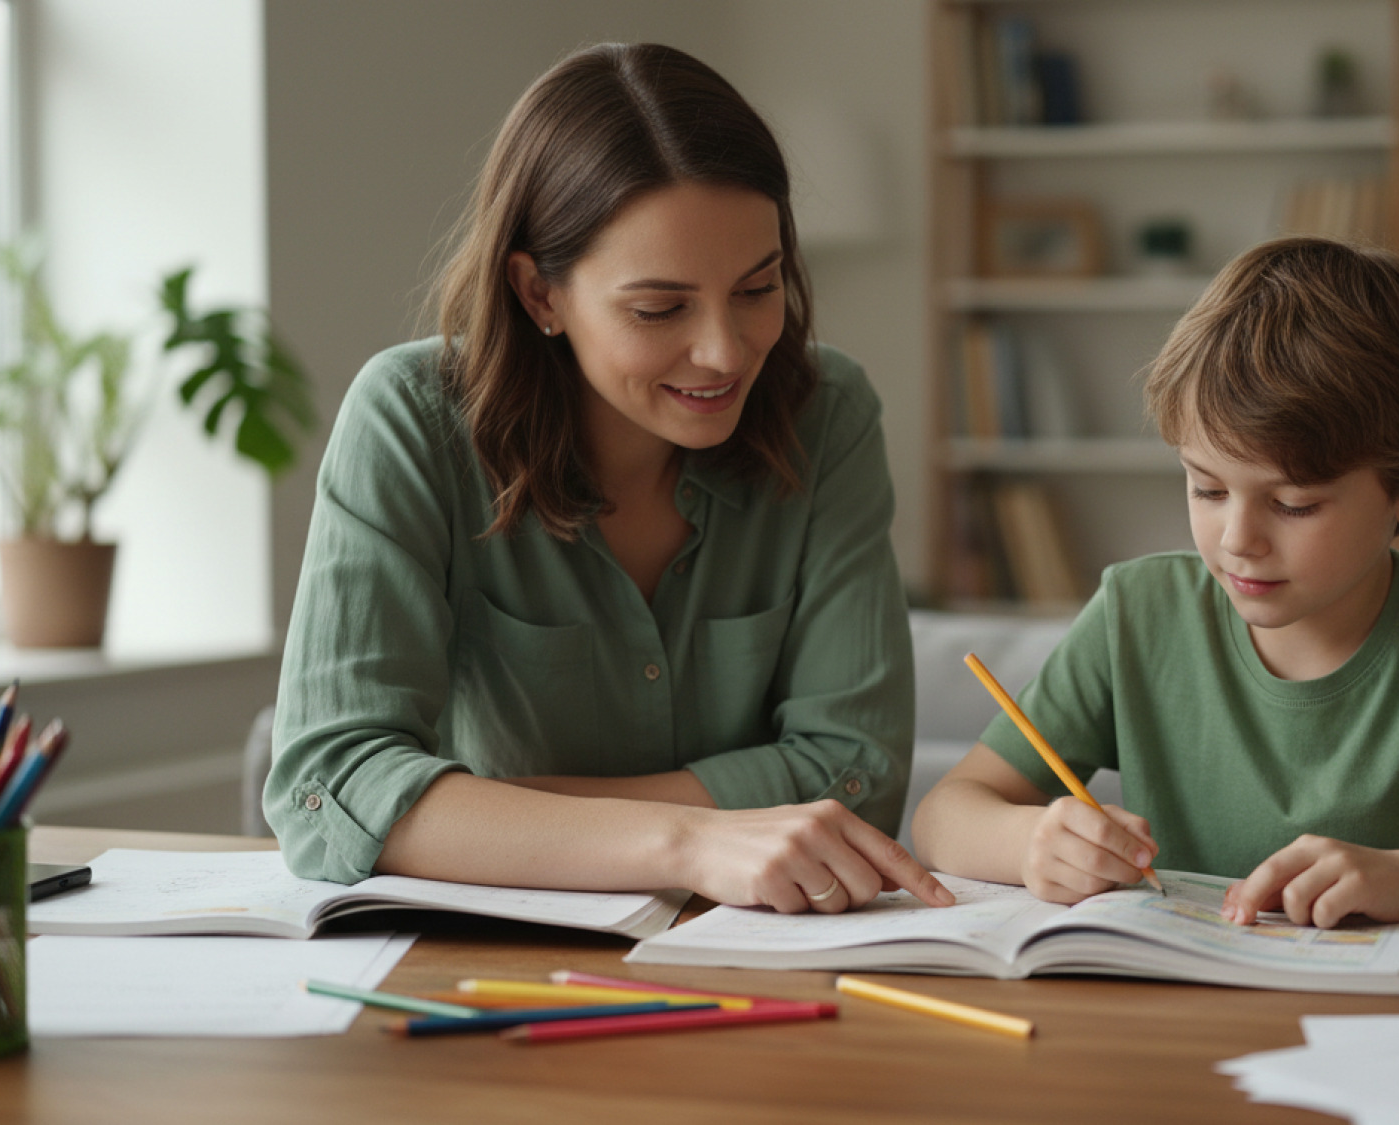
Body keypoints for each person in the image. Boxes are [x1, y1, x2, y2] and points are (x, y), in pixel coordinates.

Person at [265, 43, 953, 916]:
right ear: (539, 294)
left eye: (758, 287)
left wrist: (487, 810)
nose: (725, 351)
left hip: (763, 944)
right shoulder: (409, 421)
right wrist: (688, 841)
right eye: (659, 308)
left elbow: (856, 777)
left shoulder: (829, 412)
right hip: (482, 956)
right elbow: (328, 790)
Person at [910, 237, 1399, 928]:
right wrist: (1030, 840)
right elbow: (944, 815)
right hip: (1177, 1023)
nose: (1237, 539)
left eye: (1292, 503)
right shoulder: (1136, 616)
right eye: (1207, 487)